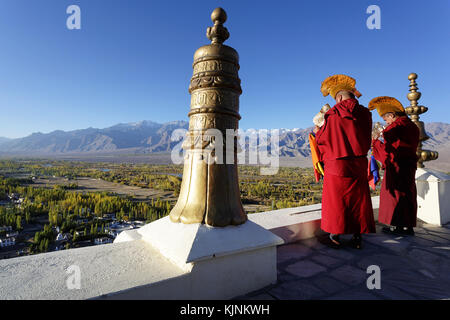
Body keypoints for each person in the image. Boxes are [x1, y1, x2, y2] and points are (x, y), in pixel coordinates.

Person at [315, 74, 376, 249]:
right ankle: (357, 237)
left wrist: (318, 130)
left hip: (338, 164)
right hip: (358, 163)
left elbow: (324, 139)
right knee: (358, 199)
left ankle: (335, 237)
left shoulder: (334, 114)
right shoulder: (365, 113)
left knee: (337, 201)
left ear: (339, 97)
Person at [369, 96, 420, 236]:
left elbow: (387, 152)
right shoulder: (413, 127)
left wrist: (375, 142)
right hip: (409, 165)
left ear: (392, 115)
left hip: (396, 167)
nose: (386, 122)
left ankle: (396, 226)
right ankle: (408, 227)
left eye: (386, 119)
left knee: (395, 196)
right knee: (408, 194)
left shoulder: (394, 128)